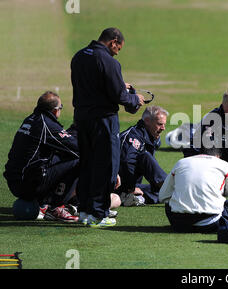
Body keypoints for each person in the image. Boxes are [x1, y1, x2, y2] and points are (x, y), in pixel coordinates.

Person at [71, 27, 145, 227]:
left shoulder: (79, 56)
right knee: (106, 166)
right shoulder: (109, 61)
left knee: (87, 163)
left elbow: (95, 85)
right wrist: (135, 99)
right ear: (113, 42)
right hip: (103, 120)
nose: (117, 51)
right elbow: (119, 97)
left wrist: (120, 85)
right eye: (118, 48)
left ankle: (85, 210)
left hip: (81, 118)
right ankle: (98, 214)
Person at [3, 91, 79, 222]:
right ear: (55, 111)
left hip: (14, 181)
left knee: (61, 156)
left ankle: (43, 203)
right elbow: (76, 147)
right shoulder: (47, 124)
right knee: (79, 159)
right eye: (61, 108)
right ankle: (54, 207)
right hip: (27, 184)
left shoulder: (30, 119)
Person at [160, 148, 228, 233]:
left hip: (178, 224)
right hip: (210, 224)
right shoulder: (223, 164)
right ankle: (226, 219)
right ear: (218, 156)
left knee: (170, 203)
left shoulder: (181, 163)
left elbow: (162, 196)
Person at [116, 106, 168, 206]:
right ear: (147, 121)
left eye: (164, 124)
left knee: (158, 190)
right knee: (145, 157)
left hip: (132, 185)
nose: (163, 128)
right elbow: (125, 162)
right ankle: (172, 191)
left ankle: (138, 198)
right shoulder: (133, 137)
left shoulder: (152, 136)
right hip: (118, 184)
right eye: (159, 124)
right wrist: (130, 188)